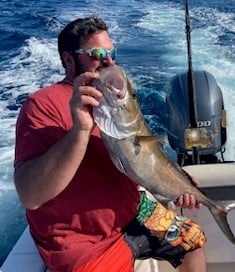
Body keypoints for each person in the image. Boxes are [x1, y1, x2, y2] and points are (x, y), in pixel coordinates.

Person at [14, 15, 206, 272]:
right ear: (69, 60)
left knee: (193, 241)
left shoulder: (116, 100)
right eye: (96, 53)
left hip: (134, 212)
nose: (109, 61)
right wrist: (81, 128)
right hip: (83, 243)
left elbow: (143, 149)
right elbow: (30, 195)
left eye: (112, 52)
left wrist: (175, 181)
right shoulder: (42, 104)